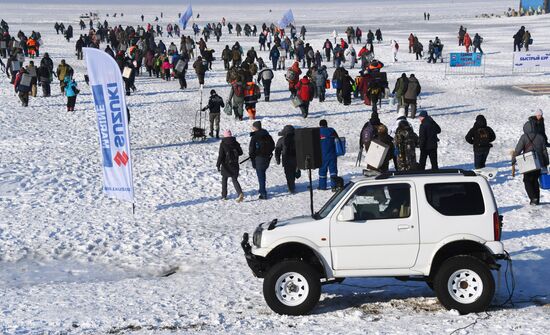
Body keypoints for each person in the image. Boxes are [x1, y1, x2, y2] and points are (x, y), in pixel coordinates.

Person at [512, 121, 549, 205]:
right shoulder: (540, 137)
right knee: (535, 181)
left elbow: (518, 150)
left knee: (527, 181)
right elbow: (544, 151)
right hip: (538, 162)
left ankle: (533, 198)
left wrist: (513, 160)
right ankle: (537, 199)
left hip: (527, 162)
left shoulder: (524, 137)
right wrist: (546, 162)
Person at [216, 130, 244, 202]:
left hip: (226, 165)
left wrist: (218, 164)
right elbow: (241, 153)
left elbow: (221, 155)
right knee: (234, 179)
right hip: (234, 164)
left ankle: (224, 196)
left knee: (224, 179)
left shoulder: (223, 143)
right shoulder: (235, 142)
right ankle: (240, 193)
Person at [249, 121, 275, 200]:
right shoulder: (267, 135)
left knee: (261, 176)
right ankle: (261, 189)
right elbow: (273, 145)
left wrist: (252, 157)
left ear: (255, 127)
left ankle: (263, 193)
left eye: (253, 127)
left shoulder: (255, 137)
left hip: (259, 158)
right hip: (267, 158)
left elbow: (251, 149)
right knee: (262, 174)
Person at [319, 119, 341, 191]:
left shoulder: (318, 132)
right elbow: (338, 139)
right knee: (333, 171)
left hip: (322, 155)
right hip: (332, 154)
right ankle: (334, 186)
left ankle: (322, 186)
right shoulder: (331, 130)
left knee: (322, 171)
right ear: (326, 124)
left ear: (320, 125)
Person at [275, 125, 298, 193]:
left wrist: (278, 159)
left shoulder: (282, 139)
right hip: (295, 159)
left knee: (288, 173)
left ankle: (291, 187)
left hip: (286, 159)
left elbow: (277, 150)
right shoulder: (297, 138)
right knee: (293, 172)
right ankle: (292, 184)